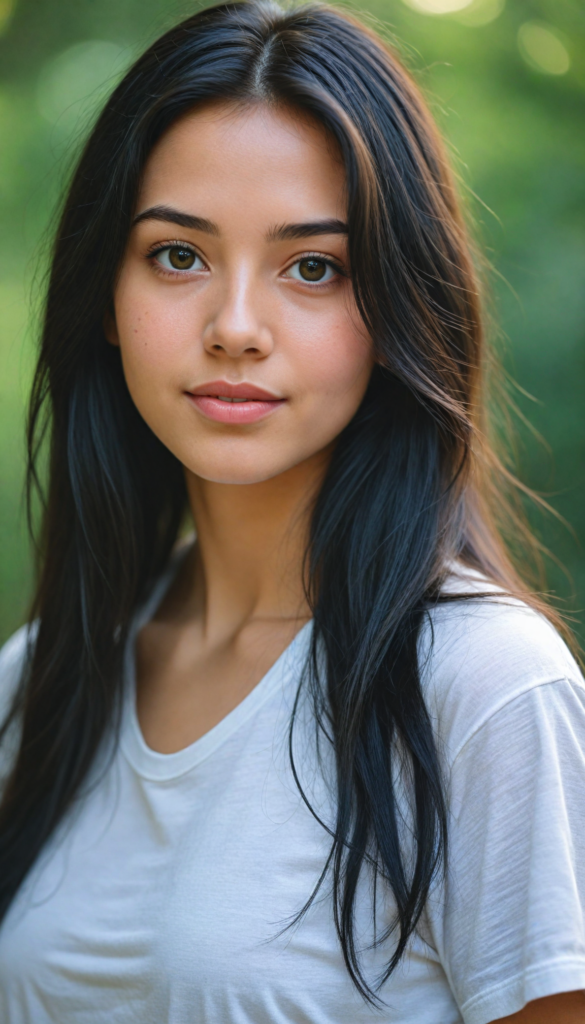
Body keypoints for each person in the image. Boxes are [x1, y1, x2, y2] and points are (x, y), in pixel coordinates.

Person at [0, 1, 583, 1020]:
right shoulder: (35, 682)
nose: (234, 327)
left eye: (313, 267)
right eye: (177, 255)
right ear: (106, 295)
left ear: (398, 308)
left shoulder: (483, 686)